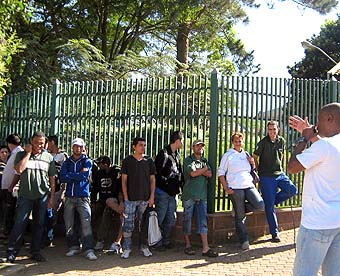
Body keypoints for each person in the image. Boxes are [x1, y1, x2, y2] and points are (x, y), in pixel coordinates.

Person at [287, 103, 340, 276]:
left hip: (317, 223)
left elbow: (292, 167)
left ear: (329, 119)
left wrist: (304, 139)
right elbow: (326, 152)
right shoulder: (331, 146)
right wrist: (311, 134)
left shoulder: (324, 147)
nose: (316, 125)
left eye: (319, 120)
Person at [6, 131, 56, 263]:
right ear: (31, 142)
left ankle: (35, 251)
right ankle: (12, 251)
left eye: (42, 143)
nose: (39, 145)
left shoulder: (48, 157)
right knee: (20, 223)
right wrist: (28, 153)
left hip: (42, 196)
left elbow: (52, 179)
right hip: (25, 196)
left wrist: (51, 197)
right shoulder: (21, 155)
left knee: (39, 224)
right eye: (36, 143)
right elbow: (19, 170)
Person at [218, 132, 264, 250]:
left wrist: (252, 163)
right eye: (236, 141)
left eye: (240, 141)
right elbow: (221, 173)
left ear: (243, 142)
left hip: (248, 185)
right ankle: (244, 240)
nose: (238, 143)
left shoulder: (246, 154)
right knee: (240, 217)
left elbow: (252, 170)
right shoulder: (228, 155)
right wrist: (226, 188)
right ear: (233, 142)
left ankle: (240, 208)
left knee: (260, 205)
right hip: (235, 187)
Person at [253, 121, 297, 242]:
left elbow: (282, 155)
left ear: (278, 129)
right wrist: (258, 170)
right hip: (266, 176)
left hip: (279, 174)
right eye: (270, 130)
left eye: (274, 129)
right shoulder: (262, 143)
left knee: (292, 190)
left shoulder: (281, 141)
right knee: (270, 207)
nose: (272, 132)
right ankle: (274, 233)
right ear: (267, 131)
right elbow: (255, 157)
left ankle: (270, 202)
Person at [59, 138, 97, 261]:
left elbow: (85, 175)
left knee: (86, 223)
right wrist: (76, 176)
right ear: (72, 147)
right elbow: (62, 177)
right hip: (69, 197)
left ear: (83, 148)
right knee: (69, 223)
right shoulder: (67, 162)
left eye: (80, 146)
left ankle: (88, 249)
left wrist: (71, 175)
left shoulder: (87, 161)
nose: (78, 149)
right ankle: (73, 246)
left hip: (83, 197)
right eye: (76, 146)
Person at [120, 137, 156, 259]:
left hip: (145, 199)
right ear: (134, 146)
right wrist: (125, 197)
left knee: (144, 225)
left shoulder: (149, 161)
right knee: (128, 225)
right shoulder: (127, 161)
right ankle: (127, 248)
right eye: (140, 145)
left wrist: (152, 197)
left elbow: (152, 180)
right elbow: (124, 180)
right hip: (130, 199)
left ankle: (144, 247)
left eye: (144, 145)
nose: (143, 147)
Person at [182, 139, 218, 257]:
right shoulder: (188, 160)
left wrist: (199, 171)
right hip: (189, 196)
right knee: (187, 220)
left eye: (202, 146)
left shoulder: (204, 160)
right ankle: (187, 245)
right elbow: (192, 173)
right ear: (193, 148)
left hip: (202, 196)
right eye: (198, 146)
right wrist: (203, 171)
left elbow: (210, 174)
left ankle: (205, 248)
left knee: (203, 222)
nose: (200, 148)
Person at [154, 130, 184, 250]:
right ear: (177, 140)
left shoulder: (177, 154)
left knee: (171, 218)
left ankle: (166, 241)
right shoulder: (163, 154)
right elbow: (157, 172)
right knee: (160, 217)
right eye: (181, 140)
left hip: (173, 192)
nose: (182, 143)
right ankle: (157, 242)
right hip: (163, 191)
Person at [92, 155, 123, 254]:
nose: (98, 166)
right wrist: (92, 201)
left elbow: (120, 189)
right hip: (101, 200)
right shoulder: (98, 174)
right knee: (91, 213)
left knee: (106, 213)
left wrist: (120, 202)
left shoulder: (116, 172)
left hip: (113, 201)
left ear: (105, 164)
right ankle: (86, 238)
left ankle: (100, 240)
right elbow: (95, 189)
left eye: (100, 164)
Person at [44, 135, 68, 246]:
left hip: (57, 188)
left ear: (52, 142)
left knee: (52, 211)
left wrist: (63, 191)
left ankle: (49, 236)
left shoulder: (62, 156)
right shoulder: (46, 155)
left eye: (47, 142)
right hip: (45, 187)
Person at [1, 134, 23, 237]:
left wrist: (12, 186)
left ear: (9, 143)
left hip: (12, 187)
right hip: (8, 186)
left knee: (11, 211)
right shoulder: (14, 153)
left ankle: (10, 233)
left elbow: (17, 172)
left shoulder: (18, 153)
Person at [0, 145, 9, 238]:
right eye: (2, 152)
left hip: (7, 192)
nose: (4, 154)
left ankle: (4, 230)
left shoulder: (11, 164)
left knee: (5, 211)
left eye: (6, 152)